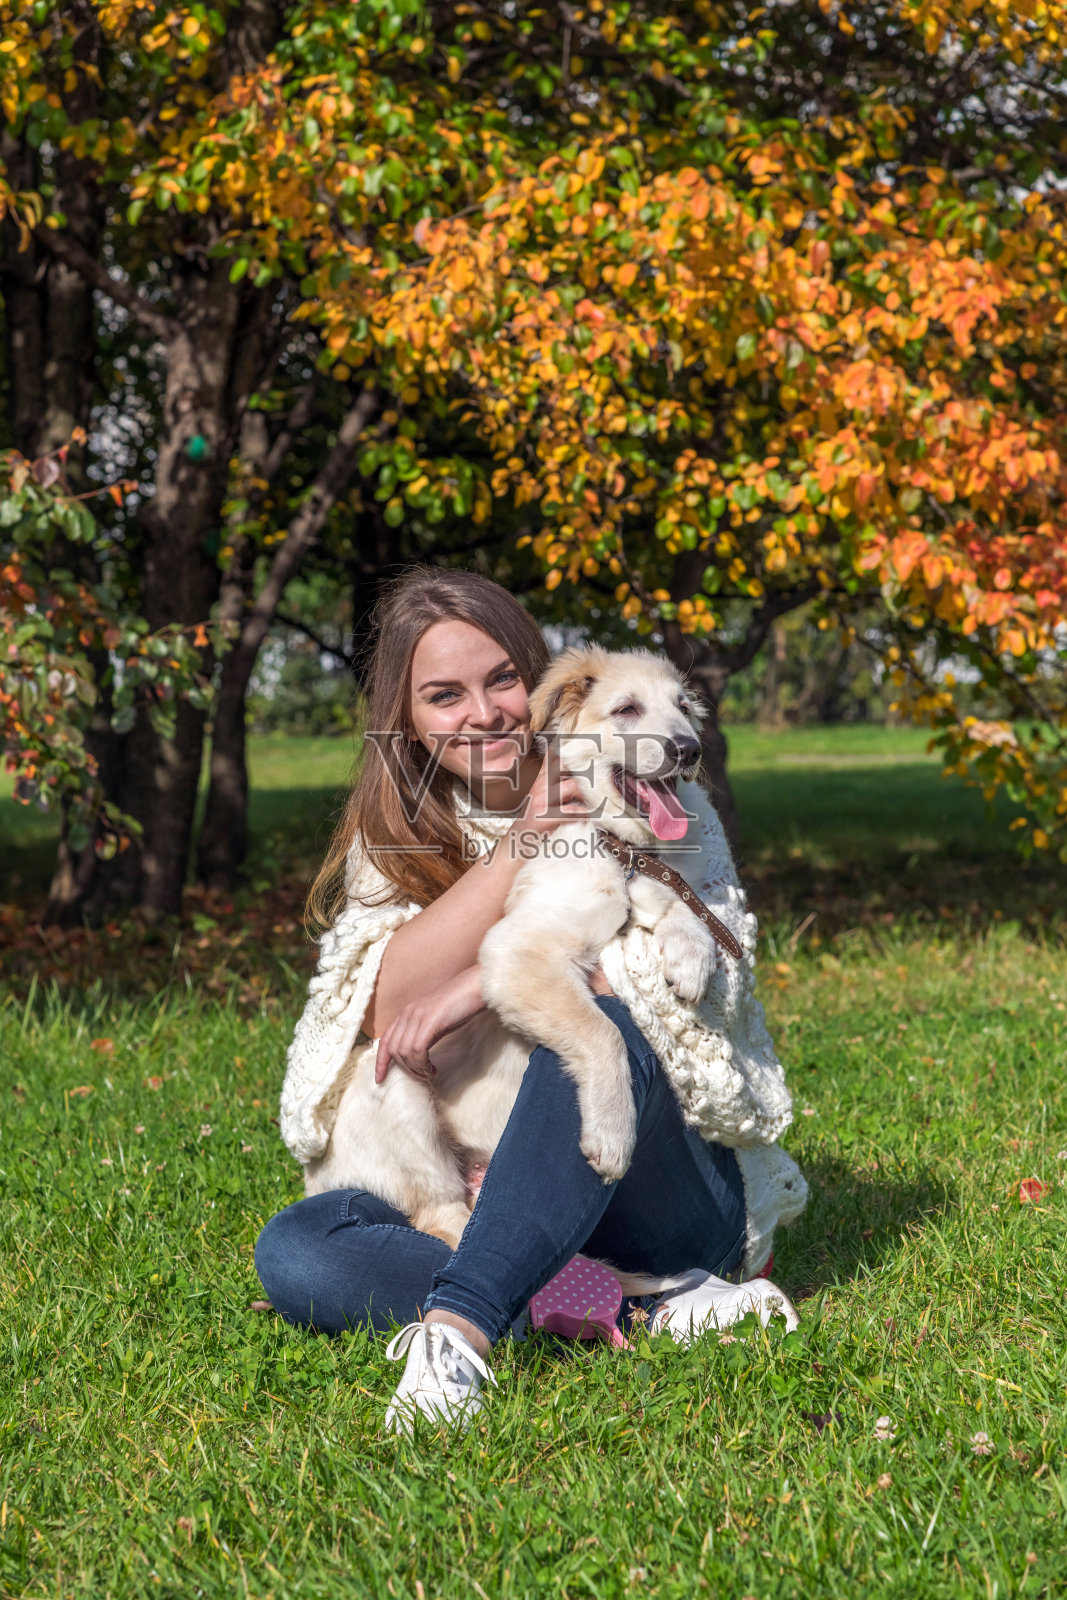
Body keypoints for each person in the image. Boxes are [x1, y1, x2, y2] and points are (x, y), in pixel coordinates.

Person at [256, 567, 807, 1433]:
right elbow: (381, 1013)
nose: (481, 713)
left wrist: (480, 985)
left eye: (501, 679)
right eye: (444, 695)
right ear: (409, 719)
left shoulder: (670, 810)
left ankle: (463, 1329)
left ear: (548, 688)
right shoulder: (398, 837)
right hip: (482, 1185)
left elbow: (670, 999)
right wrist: (519, 843)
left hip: (655, 1191)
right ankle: (635, 1307)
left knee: (594, 1029)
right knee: (296, 1248)